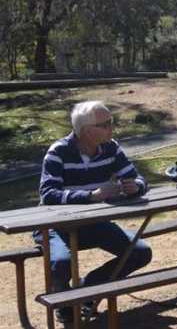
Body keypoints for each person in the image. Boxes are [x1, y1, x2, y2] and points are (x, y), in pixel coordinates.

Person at [34, 101, 152, 326]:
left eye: (111, 122)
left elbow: (138, 178)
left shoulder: (111, 147)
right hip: (53, 225)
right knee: (61, 264)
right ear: (87, 131)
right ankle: (64, 303)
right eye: (106, 124)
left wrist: (136, 186)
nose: (111, 128)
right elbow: (48, 194)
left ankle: (87, 288)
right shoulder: (58, 152)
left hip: (93, 223)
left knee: (140, 253)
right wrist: (91, 196)